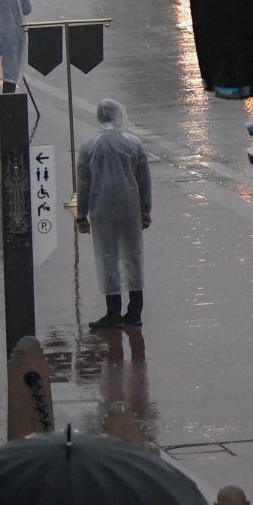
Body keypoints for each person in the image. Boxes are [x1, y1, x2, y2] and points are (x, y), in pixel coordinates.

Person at [77, 99, 153, 332]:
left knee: (107, 258)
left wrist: (80, 215)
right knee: (134, 257)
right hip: (130, 209)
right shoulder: (134, 143)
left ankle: (113, 312)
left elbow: (83, 183)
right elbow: (144, 181)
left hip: (101, 210)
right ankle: (135, 312)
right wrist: (145, 209)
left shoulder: (89, 146)